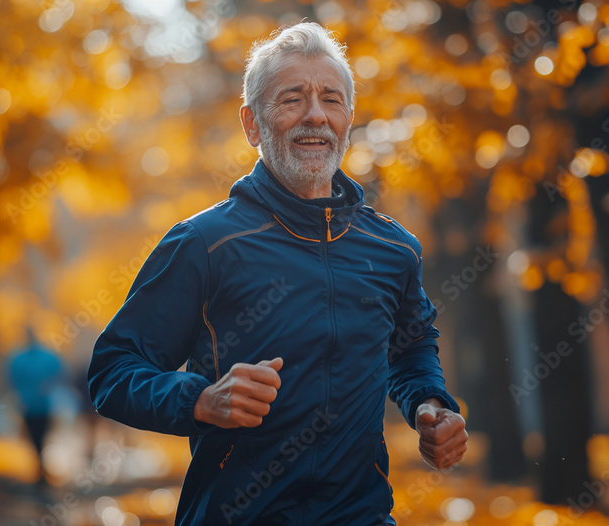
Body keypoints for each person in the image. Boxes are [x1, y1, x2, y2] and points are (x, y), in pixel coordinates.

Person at [87, 22, 467, 525]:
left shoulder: (392, 248)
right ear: (252, 124)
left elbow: (411, 347)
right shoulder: (204, 244)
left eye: (331, 99)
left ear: (348, 120)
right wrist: (200, 400)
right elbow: (113, 370)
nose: (315, 114)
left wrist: (429, 403)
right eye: (292, 99)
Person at [6, 331, 67, 485]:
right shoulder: (47, 357)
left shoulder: (19, 359)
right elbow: (60, 373)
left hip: (29, 405)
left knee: (35, 436)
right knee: (40, 436)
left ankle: (39, 466)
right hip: (42, 405)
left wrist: (19, 392)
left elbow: (11, 378)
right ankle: (40, 466)